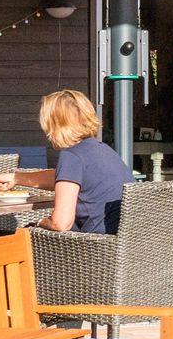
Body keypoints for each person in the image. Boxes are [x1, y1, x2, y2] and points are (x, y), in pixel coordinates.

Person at [35, 88, 132, 235]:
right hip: (128, 240)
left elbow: (61, 223)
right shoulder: (102, 150)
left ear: (53, 124)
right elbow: (62, 178)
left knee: (22, 236)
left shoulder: (71, 156)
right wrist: (15, 178)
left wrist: (39, 222)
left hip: (99, 243)